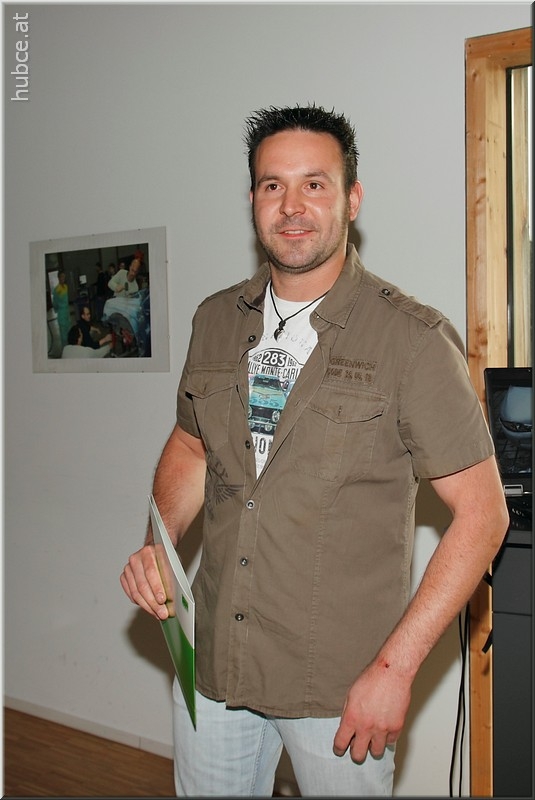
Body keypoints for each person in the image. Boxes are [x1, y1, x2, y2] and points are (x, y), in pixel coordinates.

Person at [120, 105, 509, 797]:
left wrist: (393, 671)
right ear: (252, 200)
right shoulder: (214, 320)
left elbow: (483, 516)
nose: (292, 206)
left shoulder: (413, 340)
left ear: (351, 199)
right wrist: (159, 543)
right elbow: (190, 444)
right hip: (214, 660)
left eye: (314, 184)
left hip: (340, 683)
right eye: (273, 185)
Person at [52, 270, 71, 347]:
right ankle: (64, 349)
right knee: (63, 335)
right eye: (62, 277)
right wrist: (58, 310)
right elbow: (55, 303)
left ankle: (70, 348)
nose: (63, 278)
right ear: (58, 277)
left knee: (69, 332)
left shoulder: (66, 287)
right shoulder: (56, 290)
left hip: (67, 313)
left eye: (64, 277)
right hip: (61, 314)